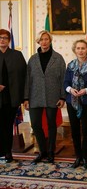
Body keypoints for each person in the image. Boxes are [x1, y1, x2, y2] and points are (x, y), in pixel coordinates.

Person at [23, 30, 66, 164]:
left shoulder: (58, 58)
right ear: (38, 41)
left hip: (53, 97)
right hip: (34, 96)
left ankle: (51, 152)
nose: (44, 42)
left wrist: (62, 97)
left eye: (46, 39)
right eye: (41, 39)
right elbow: (27, 80)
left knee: (51, 125)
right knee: (36, 124)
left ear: (50, 40)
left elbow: (63, 79)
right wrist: (25, 98)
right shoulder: (32, 59)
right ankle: (43, 151)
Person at [64, 39, 87, 169]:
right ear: (75, 50)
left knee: (86, 131)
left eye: (83, 48)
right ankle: (78, 157)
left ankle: (85, 158)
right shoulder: (70, 65)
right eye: (78, 48)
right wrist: (70, 90)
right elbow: (65, 83)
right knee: (74, 131)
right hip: (71, 102)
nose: (80, 51)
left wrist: (86, 90)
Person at [0, 29, 27, 163]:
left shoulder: (17, 55)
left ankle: (7, 152)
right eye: (0, 37)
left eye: (5, 38)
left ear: (9, 40)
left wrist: (25, 97)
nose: (2, 40)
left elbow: (23, 76)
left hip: (11, 97)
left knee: (7, 125)